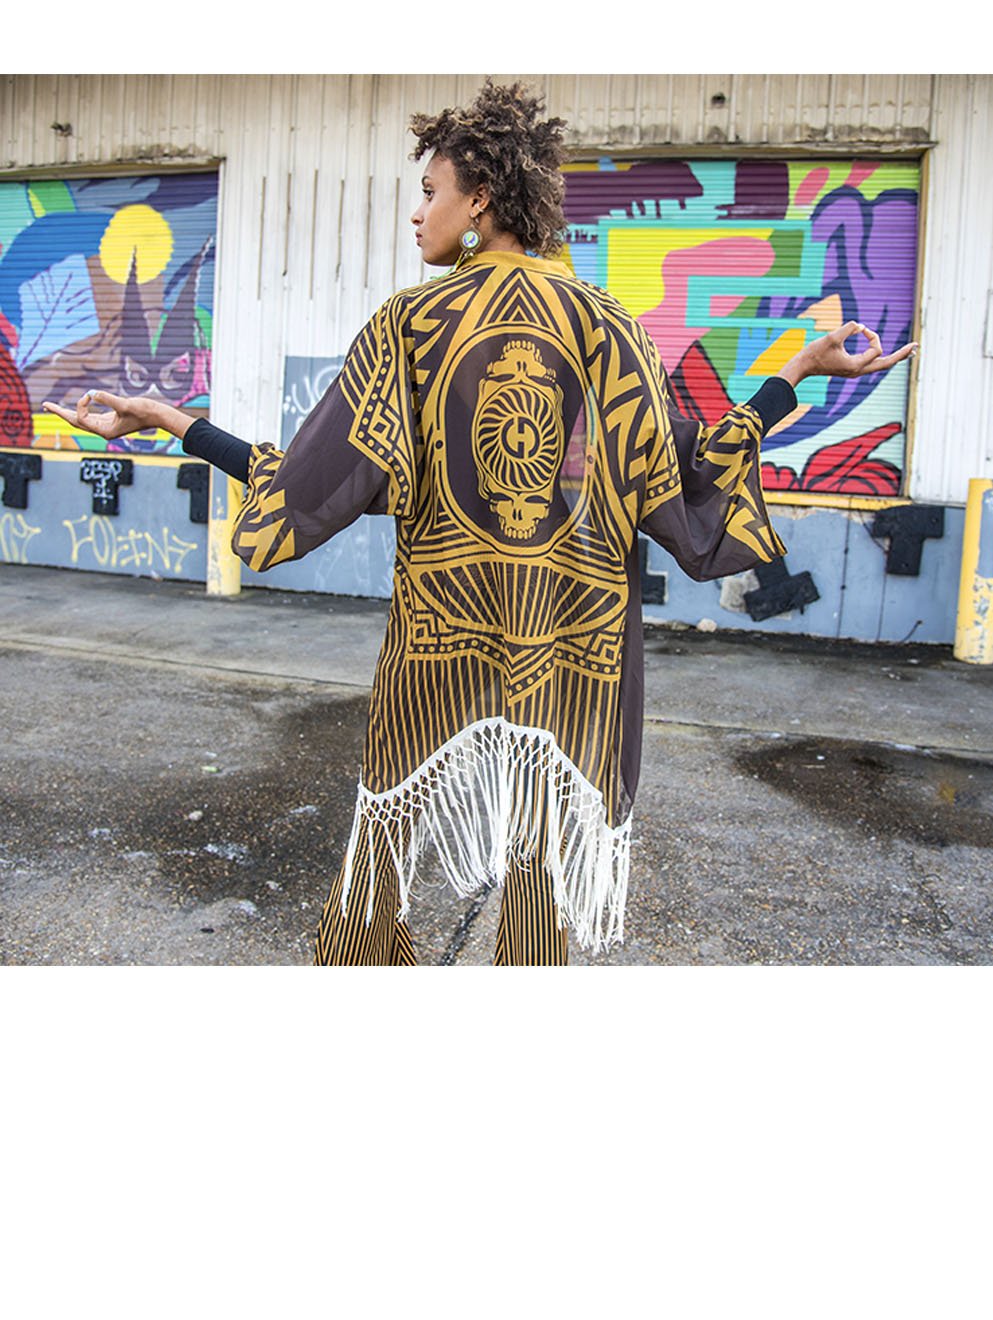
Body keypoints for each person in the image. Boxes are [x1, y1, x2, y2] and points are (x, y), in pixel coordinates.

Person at [44, 79, 918, 967]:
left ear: (480, 201)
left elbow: (306, 484)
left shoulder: (411, 325)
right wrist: (793, 375)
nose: (416, 212)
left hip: (440, 638)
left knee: (383, 844)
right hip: (572, 651)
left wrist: (171, 420)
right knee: (540, 867)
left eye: (430, 191)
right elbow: (687, 472)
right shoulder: (606, 325)